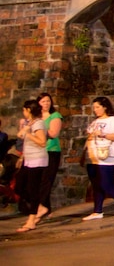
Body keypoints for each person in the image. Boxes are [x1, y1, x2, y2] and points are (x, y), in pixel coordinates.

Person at [83, 96, 114, 220]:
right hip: (94, 156)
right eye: (94, 108)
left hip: (109, 155)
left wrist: (103, 134)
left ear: (105, 107)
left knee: (105, 183)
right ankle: (97, 210)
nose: (95, 110)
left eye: (98, 107)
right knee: (96, 184)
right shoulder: (95, 121)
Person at [15, 99, 48, 232]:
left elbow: (42, 142)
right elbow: (23, 139)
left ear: (29, 110)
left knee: (32, 189)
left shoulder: (38, 123)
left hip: (37, 160)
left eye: (24, 110)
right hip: (28, 159)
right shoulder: (30, 123)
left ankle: (31, 220)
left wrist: (28, 134)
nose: (23, 112)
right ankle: (40, 207)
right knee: (19, 186)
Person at [37, 92, 61, 218]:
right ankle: (46, 209)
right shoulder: (36, 117)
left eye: (48, 101)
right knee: (37, 180)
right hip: (38, 151)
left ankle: (42, 208)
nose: (46, 103)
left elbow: (53, 133)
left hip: (51, 151)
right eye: (43, 101)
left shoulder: (55, 116)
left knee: (46, 180)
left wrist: (38, 128)